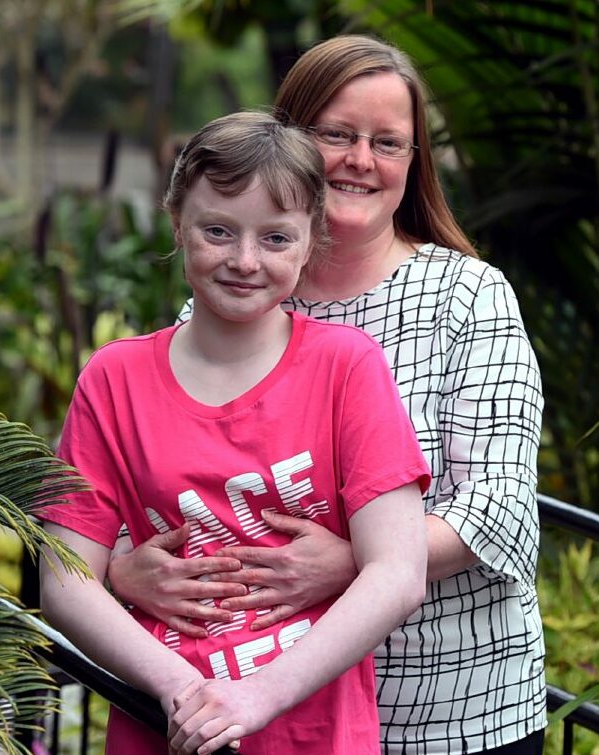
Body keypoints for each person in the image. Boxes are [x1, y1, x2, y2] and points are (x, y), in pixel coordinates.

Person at [107, 35, 548, 754]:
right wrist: (124, 569)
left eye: (388, 143)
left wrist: (361, 560)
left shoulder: (466, 295)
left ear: (414, 162)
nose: (360, 160)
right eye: (337, 134)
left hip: (446, 707)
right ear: (290, 142)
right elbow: (155, 479)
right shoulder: (237, 295)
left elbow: (499, 506)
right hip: (279, 716)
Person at [39, 110, 431, 755]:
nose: (245, 261)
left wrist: (256, 696)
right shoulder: (115, 377)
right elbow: (65, 579)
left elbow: (398, 571)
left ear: (311, 241)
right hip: (164, 725)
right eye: (218, 231)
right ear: (177, 225)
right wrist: (182, 692)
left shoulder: (347, 366)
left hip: (314, 730)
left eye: (276, 238)